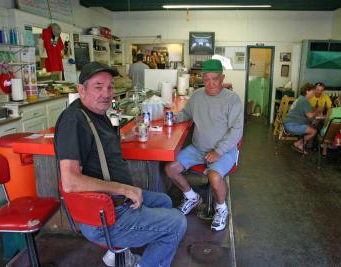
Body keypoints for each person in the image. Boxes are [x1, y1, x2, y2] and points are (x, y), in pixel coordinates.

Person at [54, 62, 186, 267]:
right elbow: (70, 181)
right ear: (82, 90)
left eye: (110, 86)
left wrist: (124, 136)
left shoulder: (97, 114)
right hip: (103, 214)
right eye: (98, 87)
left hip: (115, 201)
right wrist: (124, 189)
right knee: (177, 223)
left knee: (164, 201)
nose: (106, 93)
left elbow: (98, 143)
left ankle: (117, 254)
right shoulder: (73, 121)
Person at [165, 59, 244, 232]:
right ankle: (191, 197)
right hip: (198, 149)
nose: (210, 84)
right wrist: (171, 118)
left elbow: (237, 130)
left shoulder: (233, 99)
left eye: (214, 79)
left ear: (222, 78)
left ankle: (221, 208)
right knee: (170, 169)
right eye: (206, 79)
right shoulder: (198, 95)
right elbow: (186, 114)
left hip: (224, 151)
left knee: (214, 177)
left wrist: (218, 151)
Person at [283, 83, 319, 154]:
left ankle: (301, 145)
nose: (314, 92)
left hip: (289, 123)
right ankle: (298, 143)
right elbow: (310, 116)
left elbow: (305, 110)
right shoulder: (304, 101)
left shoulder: (300, 98)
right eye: (313, 91)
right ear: (307, 91)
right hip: (292, 125)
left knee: (311, 126)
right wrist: (317, 111)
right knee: (314, 131)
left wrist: (313, 109)